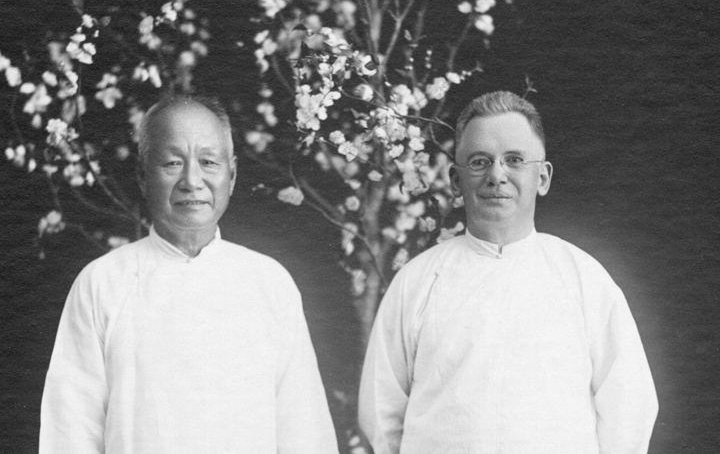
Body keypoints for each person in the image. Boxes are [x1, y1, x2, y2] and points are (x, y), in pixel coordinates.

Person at [358, 91, 658, 453]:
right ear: (455, 180)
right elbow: (381, 413)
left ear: (542, 177)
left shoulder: (584, 279)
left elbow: (629, 406)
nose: (497, 175)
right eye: (480, 161)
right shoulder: (416, 282)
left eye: (514, 160)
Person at [40, 96, 339, 453]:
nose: (192, 181)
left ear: (232, 174)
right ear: (143, 175)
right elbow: (70, 430)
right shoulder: (102, 283)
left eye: (208, 162)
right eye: (172, 163)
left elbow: (305, 431)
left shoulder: (270, 283)